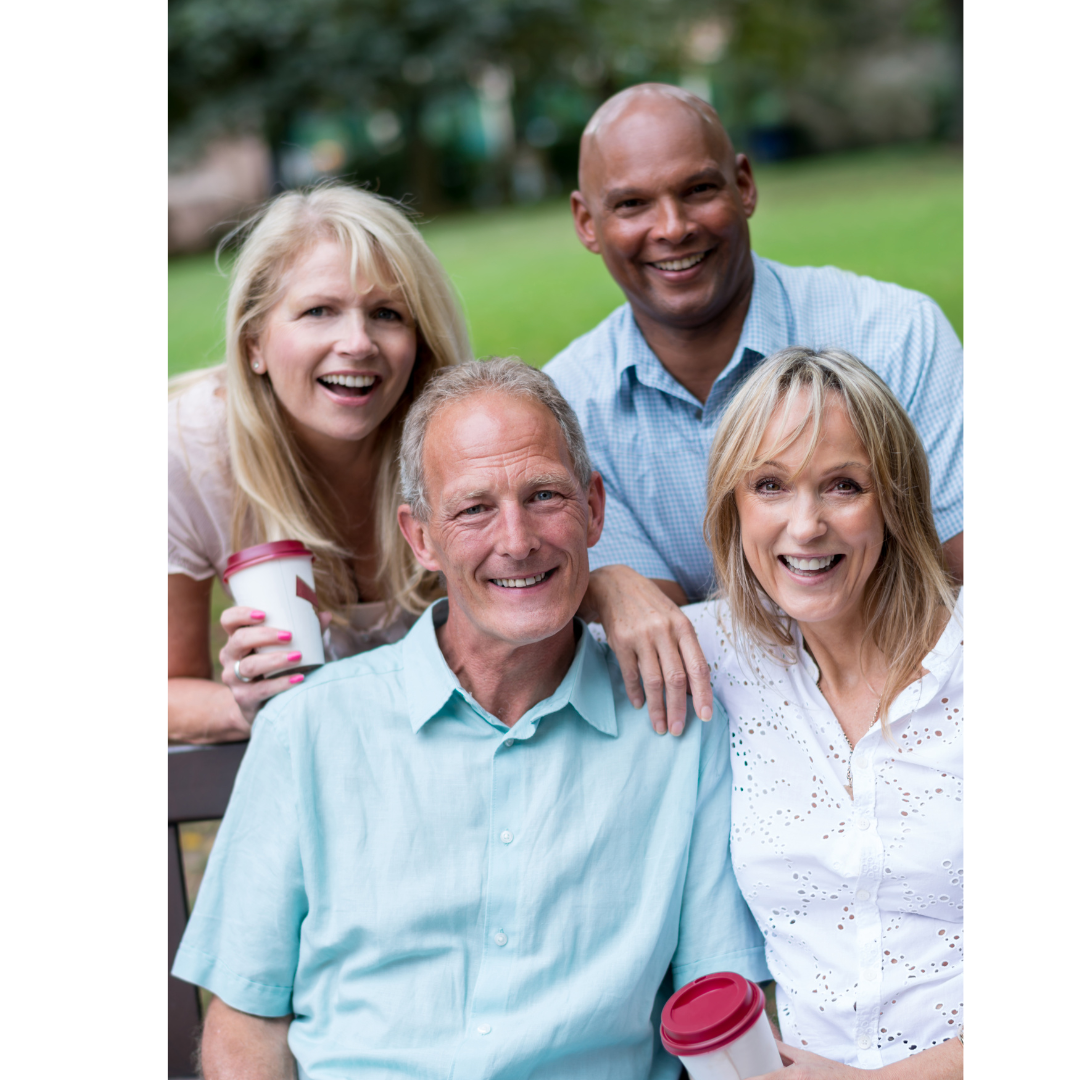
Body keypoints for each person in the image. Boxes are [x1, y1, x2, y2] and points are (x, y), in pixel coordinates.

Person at [171, 358, 768, 1079]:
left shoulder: (677, 724)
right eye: (474, 508)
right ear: (421, 537)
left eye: (543, 496)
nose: (516, 540)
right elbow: (246, 1019)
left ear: (594, 508)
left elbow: (720, 997)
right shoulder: (309, 728)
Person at [544, 83, 963, 736]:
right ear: (585, 223)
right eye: (631, 204)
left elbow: (962, 570)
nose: (673, 227)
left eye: (698, 190)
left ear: (744, 185)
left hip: (918, 710)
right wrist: (608, 581)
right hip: (724, 740)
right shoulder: (568, 407)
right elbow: (671, 650)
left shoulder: (894, 333)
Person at [685, 346, 962, 1077]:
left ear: (895, 500)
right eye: (770, 485)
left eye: (843, 486)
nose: (805, 526)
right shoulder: (717, 654)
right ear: (733, 507)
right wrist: (614, 587)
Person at [168, 183, 471, 744]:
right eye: (318, 311)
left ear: (419, 340)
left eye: (386, 313)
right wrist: (246, 703)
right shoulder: (188, 451)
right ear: (254, 343)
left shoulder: (459, 436)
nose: (357, 342)